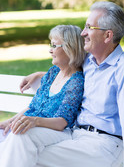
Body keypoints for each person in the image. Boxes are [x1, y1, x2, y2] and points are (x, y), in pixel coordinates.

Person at [4, 1, 124, 167]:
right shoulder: (89, 62)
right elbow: (70, 77)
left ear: (107, 36)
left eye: (89, 27)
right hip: (74, 135)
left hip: (105, 145)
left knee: (21, 151)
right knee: (20, 136)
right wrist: (39, 75)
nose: (82, 33)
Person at [0, 24, 86, 167]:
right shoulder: (52, 73)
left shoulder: (76, 82)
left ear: (70, 48)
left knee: (18, 135)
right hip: (34, 127)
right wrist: (9, 121)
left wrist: (35, 121)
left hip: (55, 131)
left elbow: (62, 122)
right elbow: (32, 107)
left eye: (54, 45)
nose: (50, 50)